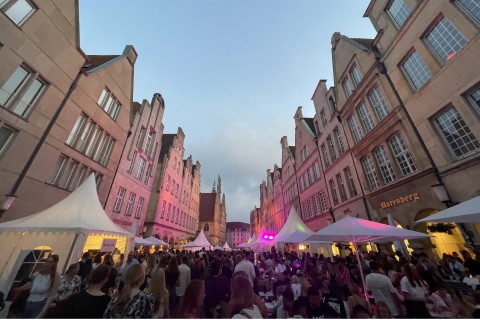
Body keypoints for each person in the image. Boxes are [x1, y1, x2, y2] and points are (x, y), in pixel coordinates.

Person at [13, 254, 60, 318]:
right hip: (28, 300)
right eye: (46, 261)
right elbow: (30, 284)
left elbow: (52, 295)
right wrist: (20, 288)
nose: (47, 264)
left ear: (54, 264)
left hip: (39, 303)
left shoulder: (55, 276)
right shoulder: (38, 273)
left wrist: (42, 312)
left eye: (50, 262)